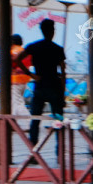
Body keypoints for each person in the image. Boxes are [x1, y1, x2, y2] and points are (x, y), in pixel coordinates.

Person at [14, 19, 66, 148]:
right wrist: (63, 92)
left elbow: (18, 59)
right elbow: (63, 72)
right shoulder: (58, 49)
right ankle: (59, 152)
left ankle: (33, 150)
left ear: (42, 31)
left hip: (40, 84)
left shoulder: (33, 46)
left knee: (35, 120)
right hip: (55, 85)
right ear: (53, 31)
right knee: (59, 120)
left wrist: (31, 74)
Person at [10, 34, 32, 117]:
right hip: (24, 80)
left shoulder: (11, 51)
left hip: (14, 80)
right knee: (17, 101)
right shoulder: (25, 52)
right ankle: (14, 122)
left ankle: (27, 122)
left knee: (17, 102)